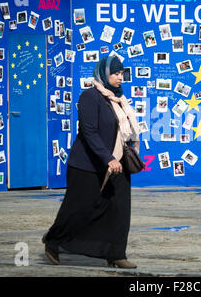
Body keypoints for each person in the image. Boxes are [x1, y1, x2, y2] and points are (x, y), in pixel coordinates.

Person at [43, 56, 141, 269]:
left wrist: (126, 150)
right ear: (103, 75)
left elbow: (122, 130)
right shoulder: (90, 97)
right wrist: (108, 158)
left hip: (118, 164)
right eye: (115, 74)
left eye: (121, 73)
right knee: (78, 209)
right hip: (88, 165)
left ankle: (116, 254)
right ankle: (53, 240)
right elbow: (89, 132)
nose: (119, 78)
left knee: (120, 208)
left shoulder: (119, 99)